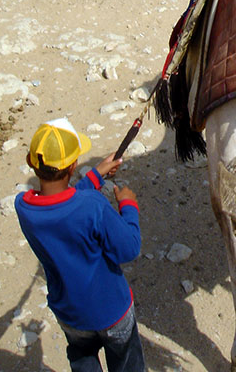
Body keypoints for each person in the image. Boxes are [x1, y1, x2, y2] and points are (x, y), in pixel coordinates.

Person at [15, 118, 145, 372]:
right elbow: (129, 248)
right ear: (74, 165)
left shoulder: (24, 207)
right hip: (112, 312)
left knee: (83, 361)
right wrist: (128, 205)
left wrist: (96, 174)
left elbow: (63, 201)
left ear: (31, 162)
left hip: (71, 316)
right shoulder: (92, 205)